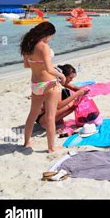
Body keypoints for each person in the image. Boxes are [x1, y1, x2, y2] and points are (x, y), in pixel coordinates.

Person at [21, 22, 66, 153]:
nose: (50, 38)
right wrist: (61, 75)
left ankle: (26, 142)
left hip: (35, 84)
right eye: (50, 35)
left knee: (32, 114)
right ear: (46, 34)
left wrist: (38, 64)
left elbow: (26, 65)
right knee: (50, 116)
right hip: (49, 83)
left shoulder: (27, 46)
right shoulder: (43, 47)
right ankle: (51, 148)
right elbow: (49, 69)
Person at [35, 64, 89, 128]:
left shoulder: (59, 80)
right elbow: (59, 105)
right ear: (63, 76)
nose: (71, 80)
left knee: (69, 97)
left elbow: (73, 87)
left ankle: (57, 120)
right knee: (74, 104)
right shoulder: (56, 84)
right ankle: (48, 123)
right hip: (42, 117)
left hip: (43, 114)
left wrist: (83, 90)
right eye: (70, 78)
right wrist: (77, 94)